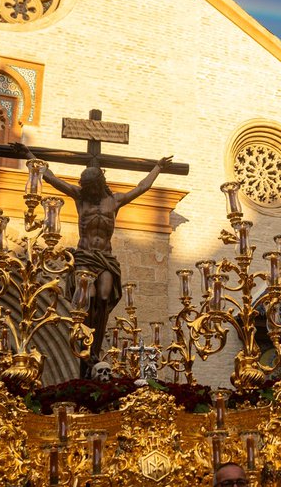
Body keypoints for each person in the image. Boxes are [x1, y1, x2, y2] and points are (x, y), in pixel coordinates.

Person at [14, 144, 172, 351]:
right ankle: (84, 338)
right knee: (87, 297)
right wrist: (28, 155)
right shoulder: (80, 197)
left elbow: (142, 187)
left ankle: (96, 341)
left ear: (100, 183)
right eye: (87, 186)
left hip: (106, 258)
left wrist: (158, 167)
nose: (90, 190)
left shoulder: (115, 201)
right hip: (85, 256)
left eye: (93, 186)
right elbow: (50, 177)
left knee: (105, 296)